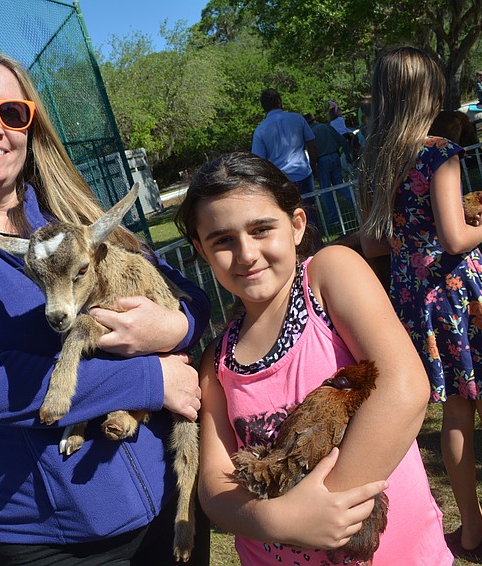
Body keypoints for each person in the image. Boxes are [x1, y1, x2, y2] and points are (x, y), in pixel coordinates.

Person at [0, 51, 212, 565]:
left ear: (31, 129)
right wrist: (151, 381)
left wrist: (171, 327)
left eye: (13, 114)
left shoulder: (75, 217)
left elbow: (189, 299)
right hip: (56, 532)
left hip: (165, 495)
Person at [175, 151, 452, 565]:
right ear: (201, 249)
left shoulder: (327, 276)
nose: (246, 254)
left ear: (297, 225)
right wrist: (280, 521)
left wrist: (324, 508)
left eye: (261, 229)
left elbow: (405, 386)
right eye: (222, 240)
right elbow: (215, 488)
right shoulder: (216, 363)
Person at [359, 46, 482, 565]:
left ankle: (469, 530)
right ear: (429, 93)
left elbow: (373, 243)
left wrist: (408, 243)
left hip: (414, 301)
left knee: (456, 412)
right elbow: (454, 236)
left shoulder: (375, 157)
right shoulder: (438, 150)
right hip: (459, 295)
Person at [251, 88, 318, 198]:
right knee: (310, 211)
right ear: (279, 101)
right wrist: (313, 166)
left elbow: (259, 161)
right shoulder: (297, 118)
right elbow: (312, 144)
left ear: (263, 107)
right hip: (303, 173)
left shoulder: (260, 130)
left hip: (281, 180)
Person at [305, 113, 354, 227]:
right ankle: (355, 205)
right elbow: (342, 140)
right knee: (340, 184)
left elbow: (312, 151)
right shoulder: (326, 126)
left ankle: (334, 218)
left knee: (326, 191)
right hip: (335, 156)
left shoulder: (310, 133)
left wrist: (313, 167)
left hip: (322, 161)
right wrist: (347, 155)